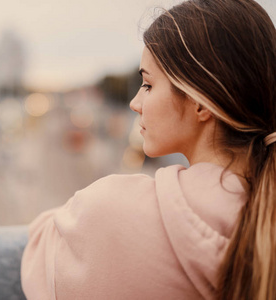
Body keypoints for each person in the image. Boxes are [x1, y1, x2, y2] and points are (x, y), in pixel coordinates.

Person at [20, 0, 276, 299]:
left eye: (148, 85)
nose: (135, 103)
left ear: (200, 101)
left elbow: (40, 246)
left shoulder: (112, 210)